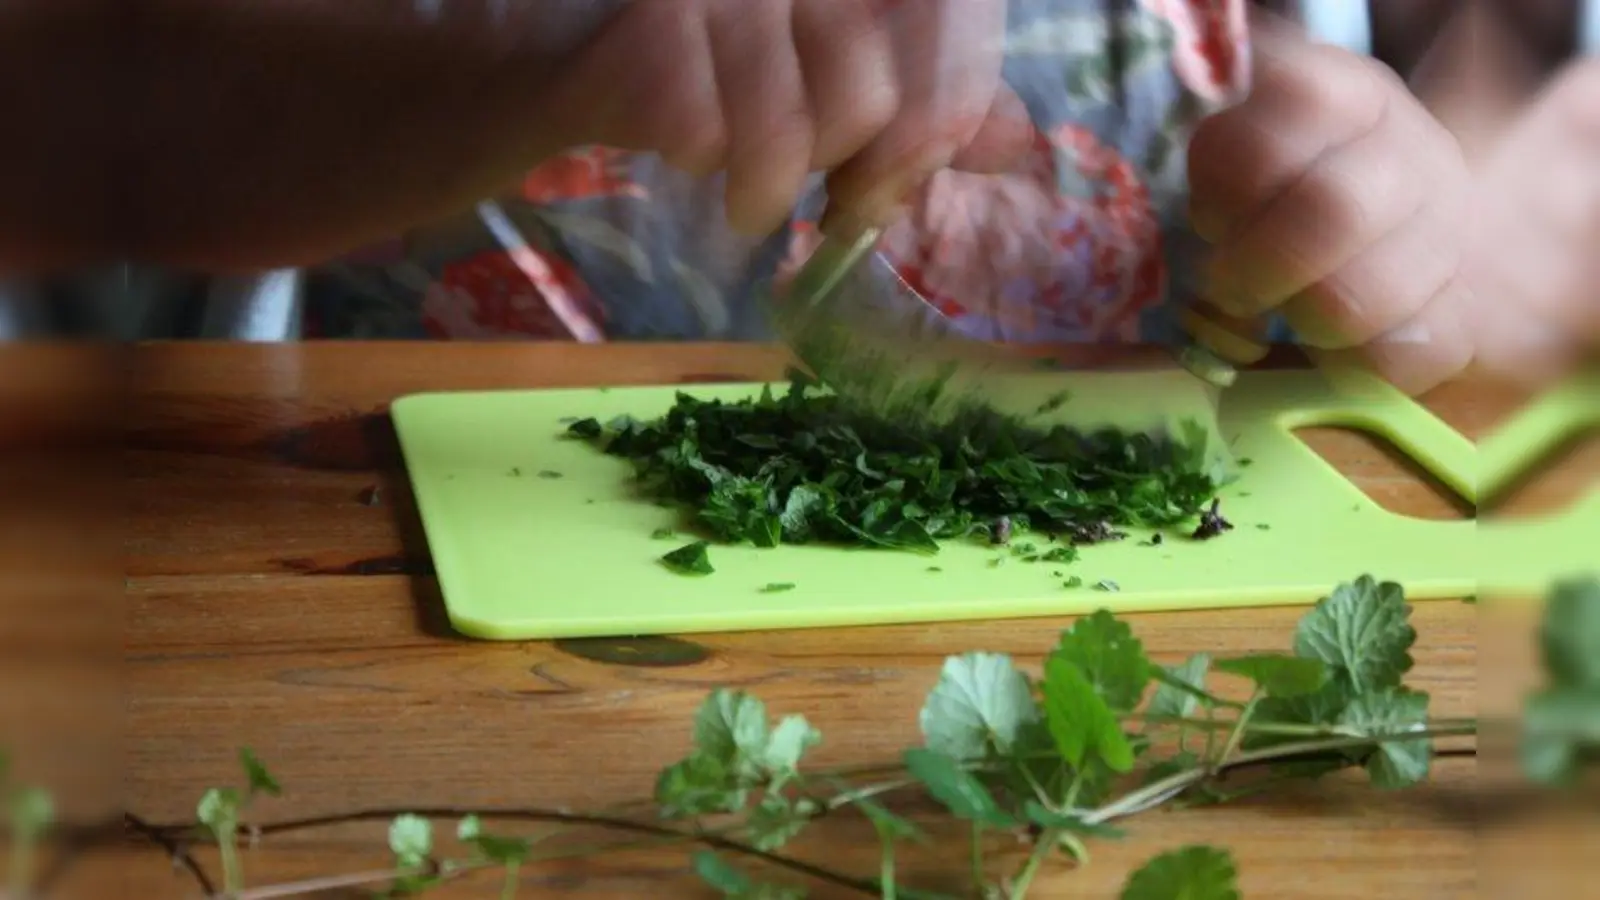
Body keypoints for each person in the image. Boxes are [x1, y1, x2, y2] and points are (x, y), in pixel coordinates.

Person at [36, 0, 1600, 386]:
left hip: (1165, 638)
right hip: (386, 596)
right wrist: (522, 72)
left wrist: (1421, 204)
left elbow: (1523, 99)